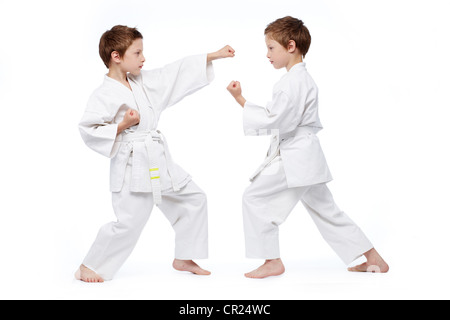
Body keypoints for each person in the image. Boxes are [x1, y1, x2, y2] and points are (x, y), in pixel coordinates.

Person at [226, 16, 389, 279]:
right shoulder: (302, 79)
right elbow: (278, 117)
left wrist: (239, 100)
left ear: (290, 46)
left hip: (295, 158)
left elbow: (276, 120)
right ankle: (374, 258)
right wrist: (241, 99)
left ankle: (271, 260)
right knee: (327, 210)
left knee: (253, 197)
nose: (267, 54)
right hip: (306, 156)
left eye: (271, 48)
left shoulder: (291, 83)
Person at [75, 25, 235, 282]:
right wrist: (122, 125)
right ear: (117, 56)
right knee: (129, 222)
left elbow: (171, 74)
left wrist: (211, 56)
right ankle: (90, 266)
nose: (143, 58)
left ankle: (184, 256)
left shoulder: (142, 81)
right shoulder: (103, 94)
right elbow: (88, 129)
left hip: (156, 159)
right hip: (132, 165)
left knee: (193, 199)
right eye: (137, 53)